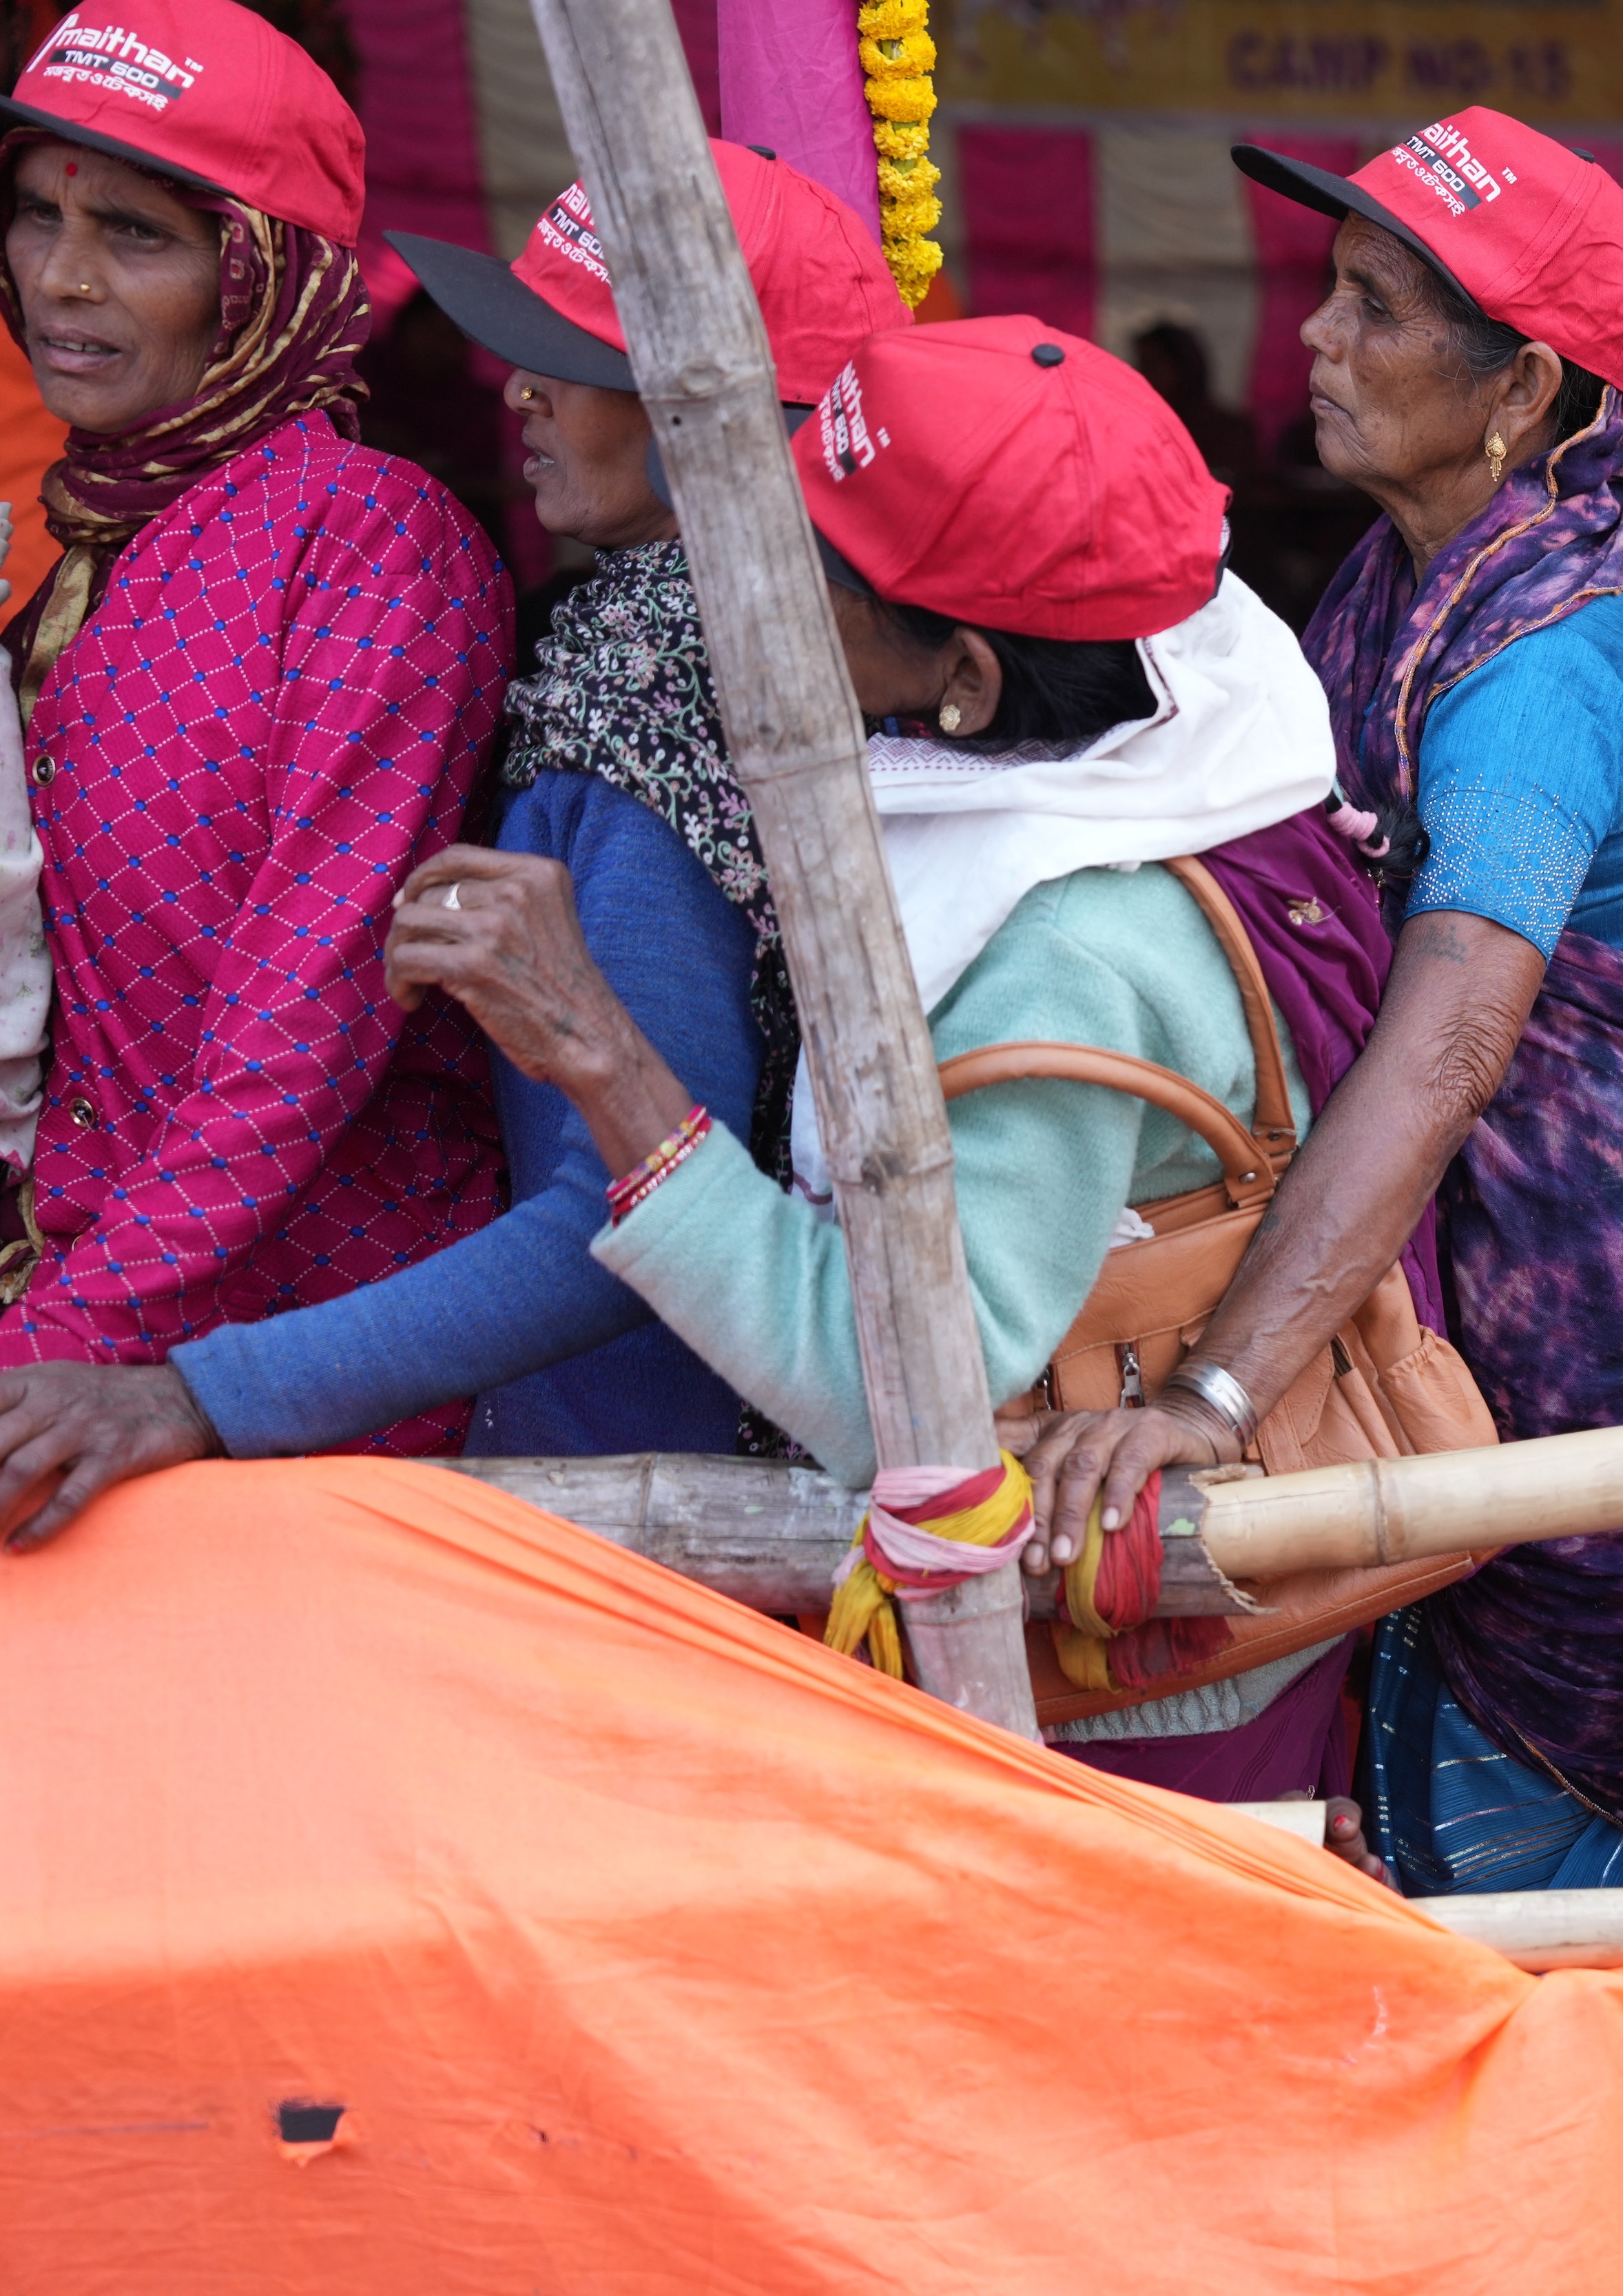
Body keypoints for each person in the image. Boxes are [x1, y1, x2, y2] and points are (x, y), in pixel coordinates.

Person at [1006, 112, 1623, 1892]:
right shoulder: (1421, 578)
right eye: (1333, 291)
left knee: (1565, 1882)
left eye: (1377, 308)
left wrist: (1218, 1392)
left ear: (1523, 387)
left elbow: (1452, 1039)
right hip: (1547, 1302)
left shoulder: (1544, 660)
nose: (1317, 338)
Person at [369, 320, 1397, 1796]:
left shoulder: (1063, 957)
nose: (748, 587)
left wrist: (601, 1052)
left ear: (964, 676)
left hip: (1121, 1678)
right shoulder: (1205, 684)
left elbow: (887, 1396)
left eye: (813, 569)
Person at [0, 143, 907, 1526]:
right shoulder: (764, 642)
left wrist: (196, 1393)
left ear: (718, 411)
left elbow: (629, 1205)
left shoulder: (662, 674)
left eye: (573, 361)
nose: (516, 386)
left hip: (636, 1476)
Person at [0, 0, 509, 1509]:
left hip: (294, 1376)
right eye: (36, 216)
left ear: (261, 275)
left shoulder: (369, 540)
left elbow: (304, 1022)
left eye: (135, 235)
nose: (62, 278)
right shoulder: (82, 542)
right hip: (73, 1340)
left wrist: (60, 1335)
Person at [1130, 318, 1258, 482]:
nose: (1141, 374)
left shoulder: (1228, 430)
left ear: (1181, 367)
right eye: (1141, 364)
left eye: (1151, 364)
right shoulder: (1138, 427)